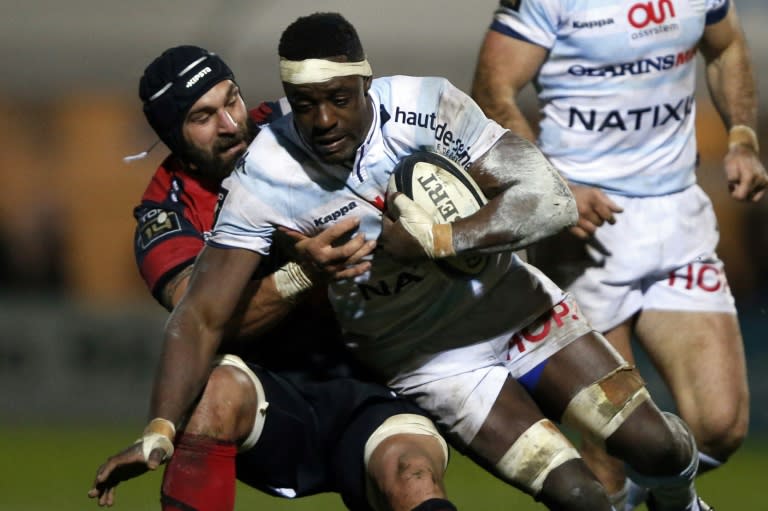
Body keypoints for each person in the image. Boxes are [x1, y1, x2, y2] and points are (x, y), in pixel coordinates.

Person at [103, 13, 714, 511]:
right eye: (305, 103)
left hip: (507, 304)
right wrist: (160, 427)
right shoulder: (259, 177)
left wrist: (442, 238)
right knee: (581, 496)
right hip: (426, 362)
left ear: (367, 82)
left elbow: (548, 198)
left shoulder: (426, 105)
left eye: (339, 99)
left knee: (653, 445)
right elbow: (201, 316)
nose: (322, 120)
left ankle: (679, 500)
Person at [88, 45, 458, 511]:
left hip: (373, 377)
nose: (229, 125)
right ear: (172, 137)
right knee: (215, 388)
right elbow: (202, 318)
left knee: (413, 477)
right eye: (203, 117)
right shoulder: (167, 213)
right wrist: (301, 274)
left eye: (231, 101)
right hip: (270, 396)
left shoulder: (298, 126)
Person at [471, 0, 766, 508]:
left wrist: (741, 134)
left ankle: (660, 500)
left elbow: (727, 45)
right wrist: (552, 186)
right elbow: (492, 92)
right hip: (584, 226)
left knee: (720, 427)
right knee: (610, 447)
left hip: (677, 217)